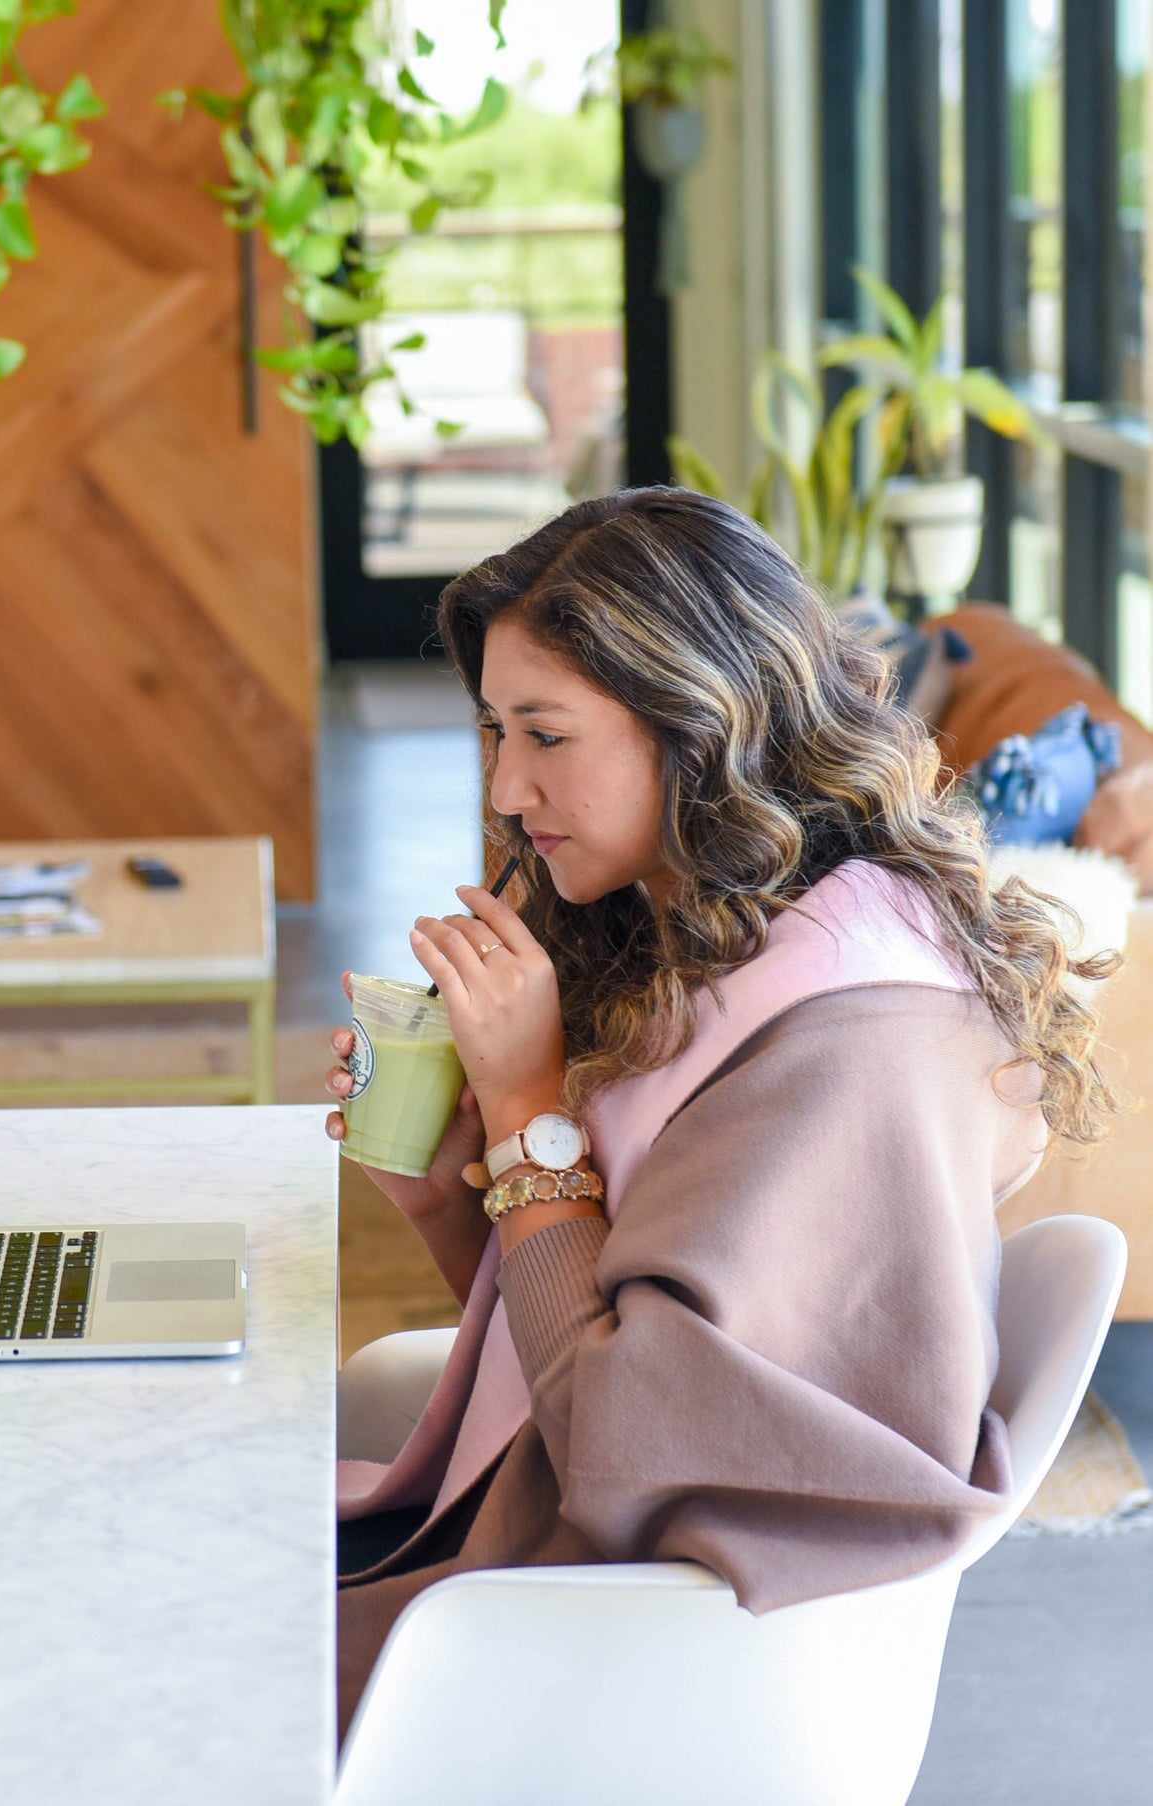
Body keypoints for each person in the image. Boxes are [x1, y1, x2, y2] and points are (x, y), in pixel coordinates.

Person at [323, 486, 1119, 1740]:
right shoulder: (715, 936)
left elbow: (623, 1442)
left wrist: (530, 1103)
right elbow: (590, 1333)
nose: (506, 787)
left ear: (695, 720)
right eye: (490, 730)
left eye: (544, 733)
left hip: (607, 1649)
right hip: (553, 1579)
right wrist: (446, 1200)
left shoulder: (852, 1033)